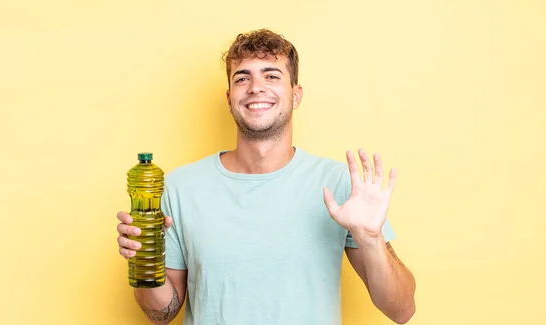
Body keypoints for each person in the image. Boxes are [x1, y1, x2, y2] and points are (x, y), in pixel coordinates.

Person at [116, 29, 416, 325]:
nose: (255, 87)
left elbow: (401, 310)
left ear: (295, 95)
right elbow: (161, 314)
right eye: (242, 77)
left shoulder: (339, 184)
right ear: (229, 96)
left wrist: (371, 238)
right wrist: (145, 262)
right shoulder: (180, 188)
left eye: (271, 75)